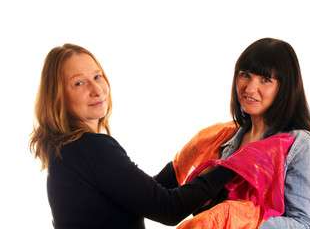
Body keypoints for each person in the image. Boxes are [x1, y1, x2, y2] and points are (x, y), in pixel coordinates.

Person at [29, 43, 237, 229]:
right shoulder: (89, 147)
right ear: (58, 97)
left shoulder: (70, 149)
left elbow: (139, 197)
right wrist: (236, 164)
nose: (97, 90)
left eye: (97, 76)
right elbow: (168, 208)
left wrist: (190, 152)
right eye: (79, 83)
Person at [171, 38, 310, 228]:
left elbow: (307, 225)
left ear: (285, 88)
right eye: (245, 75)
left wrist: (237, 218)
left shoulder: (304, 146)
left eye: (265, 79)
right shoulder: (228, 138)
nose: (249, 88)